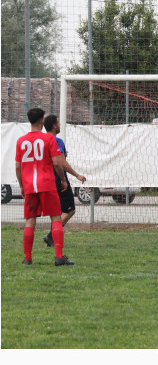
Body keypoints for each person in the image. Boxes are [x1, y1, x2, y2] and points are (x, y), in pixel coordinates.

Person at [15, 108, 74, 266]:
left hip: (29, 186)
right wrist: (62, 179)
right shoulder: (49, 139)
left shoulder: (21, 141)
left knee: (30, 221)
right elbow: (56, 162)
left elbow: (17, 167)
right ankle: (59, 257)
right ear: (42, 121)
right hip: (47, 184)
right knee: (55, 217)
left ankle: (28, 258)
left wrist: (22, 185)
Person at [41, 114, 86, 247]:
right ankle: (51, 235)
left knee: (56, 211)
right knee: (70, 209)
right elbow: (61, 162)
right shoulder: (57, 141)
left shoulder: (42, 140)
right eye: (59, 123)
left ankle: (52, 238)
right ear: (54, 126)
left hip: (45, 179)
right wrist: (77, 175)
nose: (60, 125)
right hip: (58, 178)